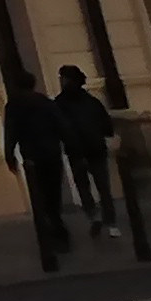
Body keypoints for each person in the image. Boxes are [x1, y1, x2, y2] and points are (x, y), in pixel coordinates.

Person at [1, 75, 73, 261]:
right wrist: (70, 146)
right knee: (53, 193)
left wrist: (10, 156)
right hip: (51, 152)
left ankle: (50, 232)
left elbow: (10, 132)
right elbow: (62, 125)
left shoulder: (14, 106)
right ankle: (58, 229)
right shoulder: (46, 103)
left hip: (32, 155)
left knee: (39, 195)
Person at [50, 66, 122, 236]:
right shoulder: (91, 101)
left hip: (76, 151)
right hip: (95, 147)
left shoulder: (59, 103)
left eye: (63, 77)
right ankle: (110, 222)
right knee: (103, 187)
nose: (61, 80)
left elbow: (57, 127)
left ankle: (93, 215)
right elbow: (106, 125)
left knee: (84, 187)